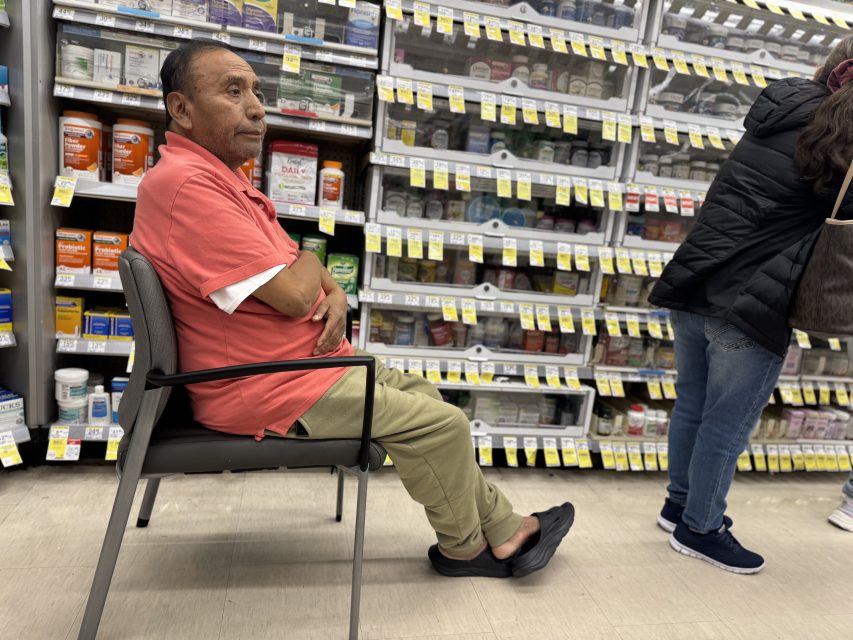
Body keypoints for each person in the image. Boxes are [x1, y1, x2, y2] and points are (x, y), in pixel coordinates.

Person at [129, 41, 574, 579]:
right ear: (180, 108)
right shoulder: (188, 187)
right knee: (445, 424)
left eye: (256, 92)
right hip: (269, 384)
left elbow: (296, 264)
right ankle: (466, 549)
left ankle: (501, 529)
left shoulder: (220, 179)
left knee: (425, 397)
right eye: (232, 90)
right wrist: (316, 279)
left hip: (302, 364)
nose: (256, 107)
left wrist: (329, 288)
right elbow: (295, 289)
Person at [647, 37, 853, 573]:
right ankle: (701, 528)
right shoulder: (842, 139)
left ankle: (678, 506)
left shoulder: (777, 108)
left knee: (692, 404)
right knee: (728, 425)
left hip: (696, 279)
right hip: (752, 303)